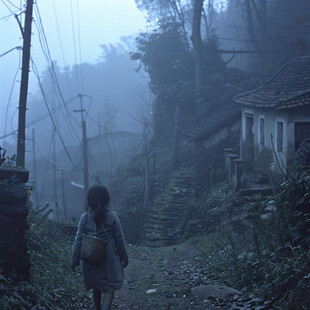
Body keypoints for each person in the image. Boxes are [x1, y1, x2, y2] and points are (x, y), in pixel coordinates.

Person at [71, 185, 128, 310]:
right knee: (109, 286)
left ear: (90, 200)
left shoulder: (84, 217)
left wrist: (74, 261)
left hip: (90, 254)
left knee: (96, 285)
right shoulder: (112, 216)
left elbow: (78, 239)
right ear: (106, 199)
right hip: (109, 257)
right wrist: (125, 257)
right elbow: (120, 240)